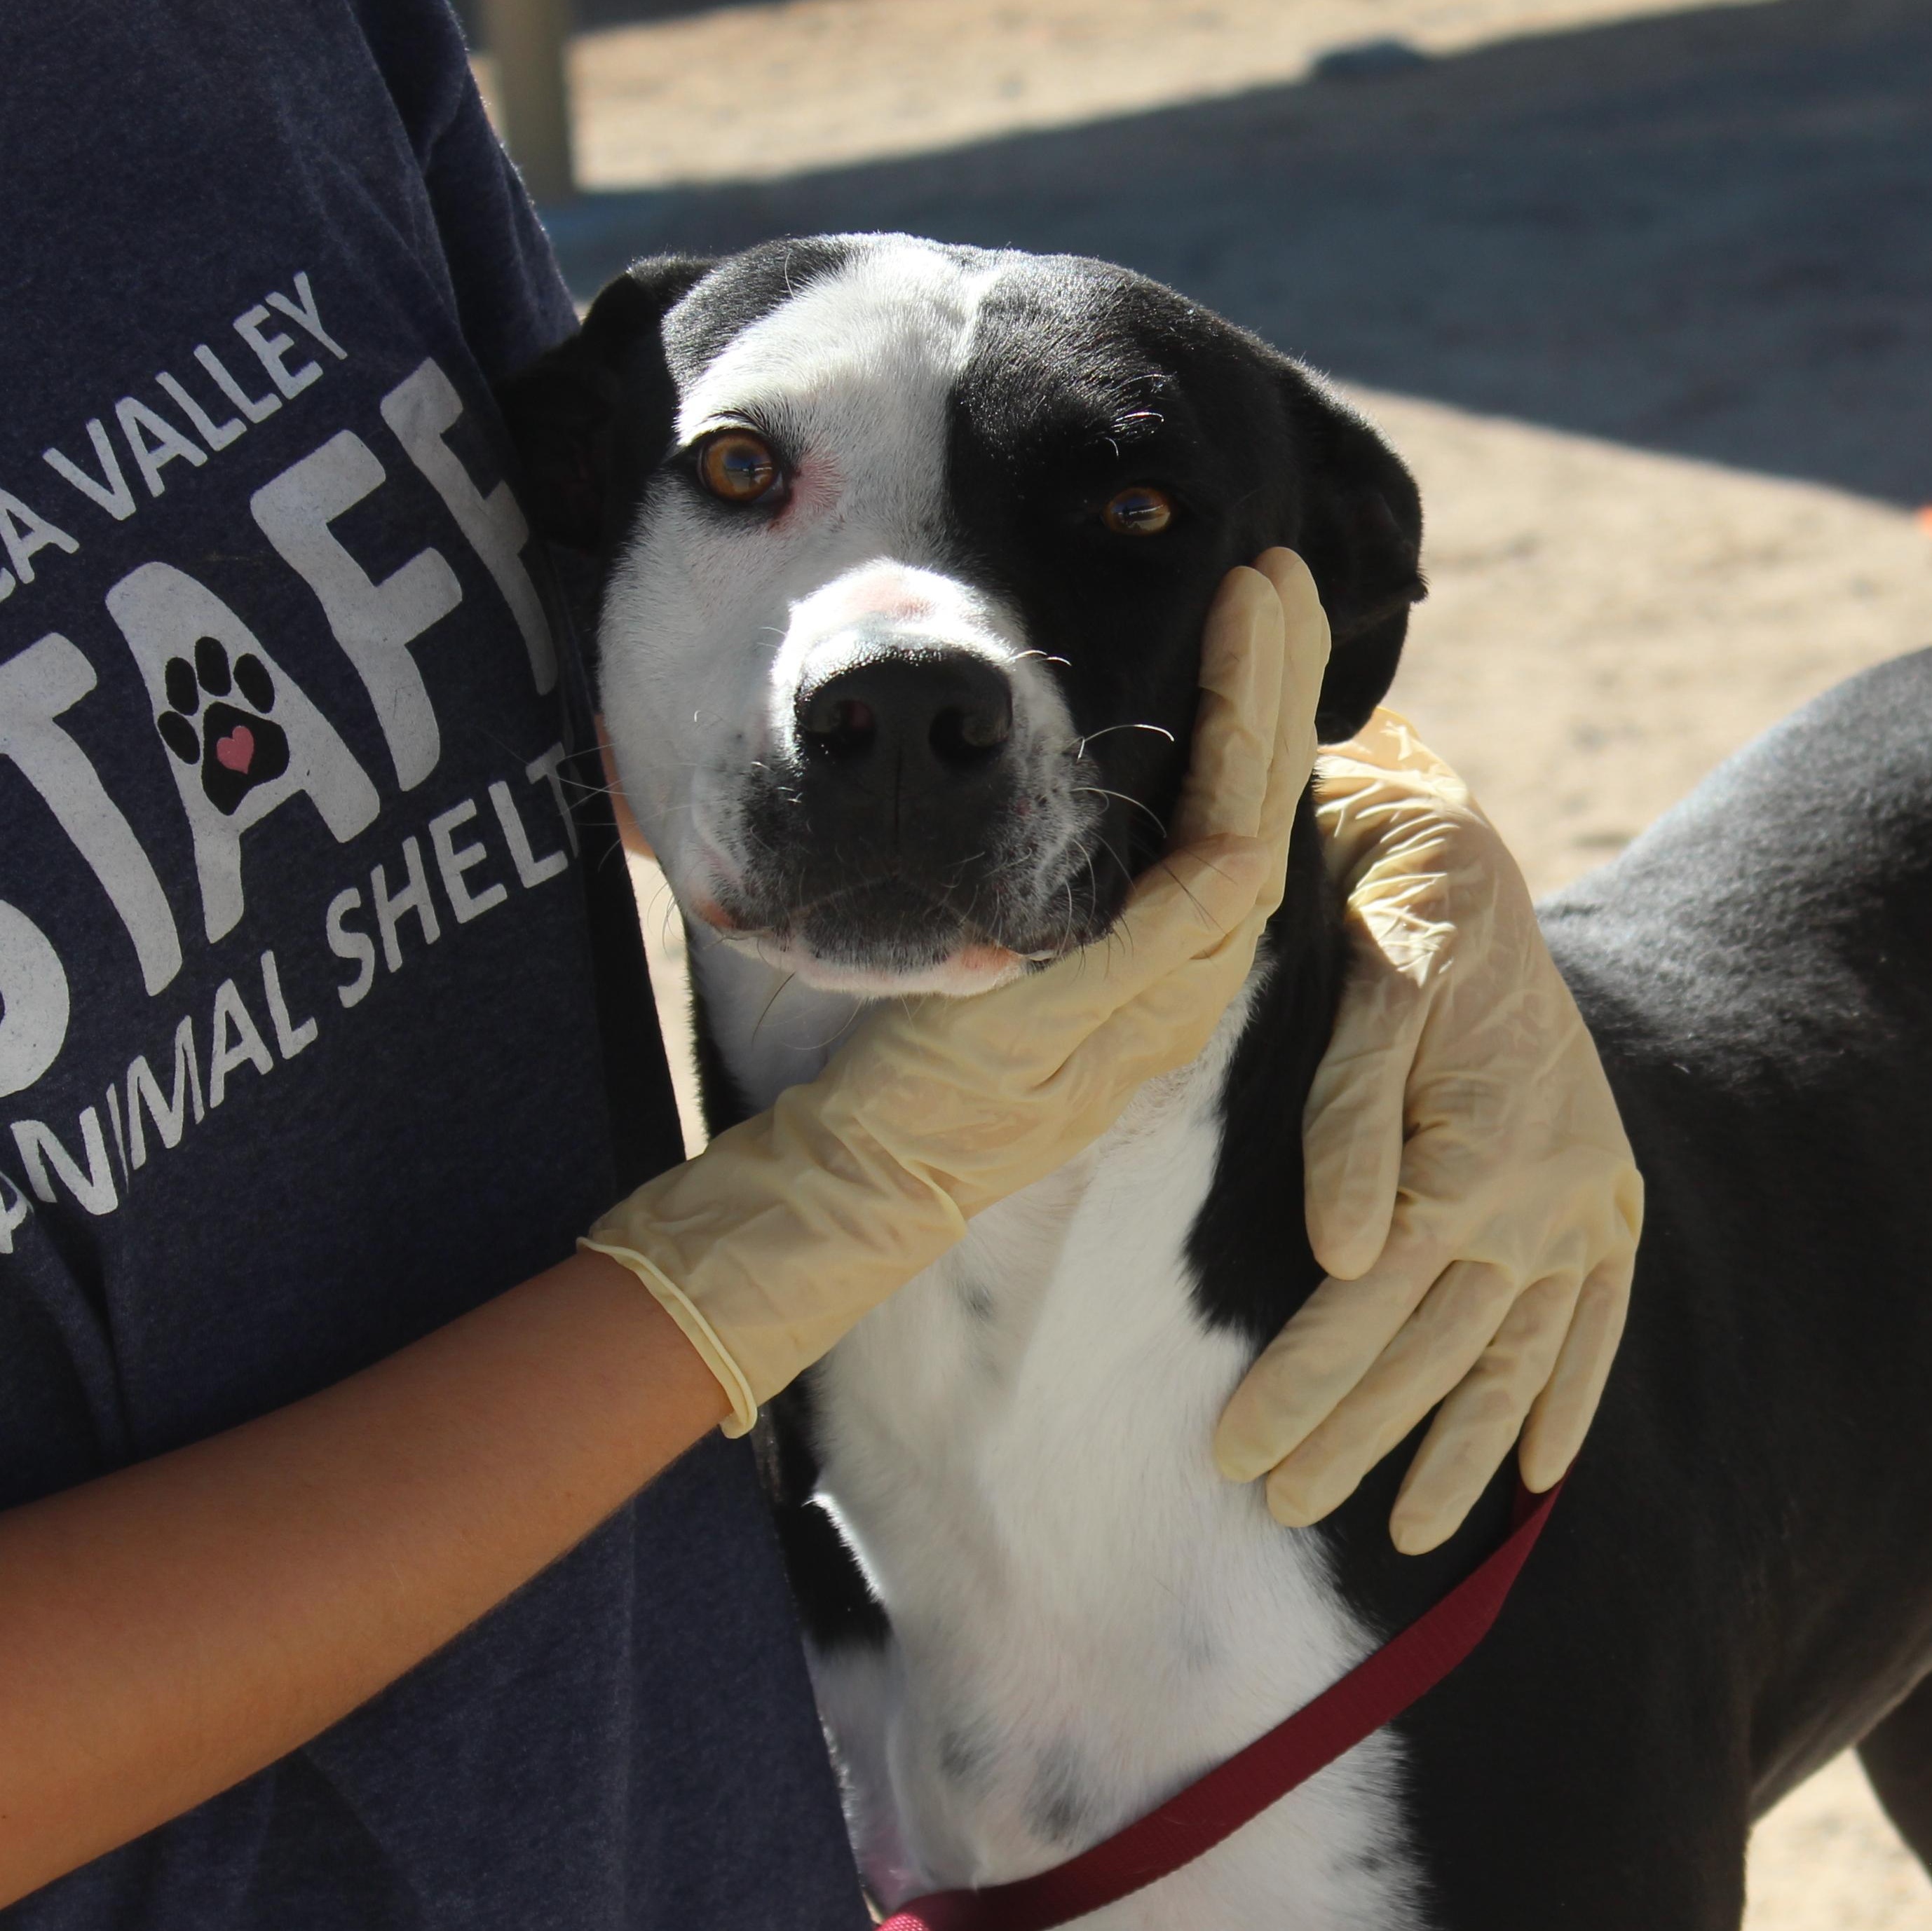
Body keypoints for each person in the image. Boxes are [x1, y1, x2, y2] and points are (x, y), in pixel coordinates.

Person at [0, 1, 1639, 1923]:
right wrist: (723, 1277)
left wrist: (1344, 809)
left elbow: (555, 529)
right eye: (745, 473)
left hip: (714, 1795)